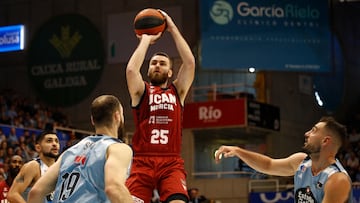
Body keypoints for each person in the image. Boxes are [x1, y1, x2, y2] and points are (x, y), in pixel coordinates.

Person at [125, 9, 195, 203]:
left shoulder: (177, 91)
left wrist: (171, 28)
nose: (157, 65)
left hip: (171, 162)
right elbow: (131, 70)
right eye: (154, 63)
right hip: (142, 161)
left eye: (162, 63)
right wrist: (146, 39)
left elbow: (189, 63)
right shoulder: (141, 91)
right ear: (148, 69)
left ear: (170, 71)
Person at [215, 116, 353, 203]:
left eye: (313, 130)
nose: (306, 134)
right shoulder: (301, 162)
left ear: (325, 141)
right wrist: (238, 152)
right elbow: (268, 165)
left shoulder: (337, 180)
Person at [27, 95, 133, 203]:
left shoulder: (69, 152)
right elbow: (114, 188)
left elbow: (36, 192)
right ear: (117, 116)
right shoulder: (118, 148)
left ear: (92, 120)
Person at [8, 131, 60, 203]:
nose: (54, 144)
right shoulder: (32, 166)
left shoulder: (61, 168)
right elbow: (12, 194)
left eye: (56, 141)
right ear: (38, 147)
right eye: (49, 141)